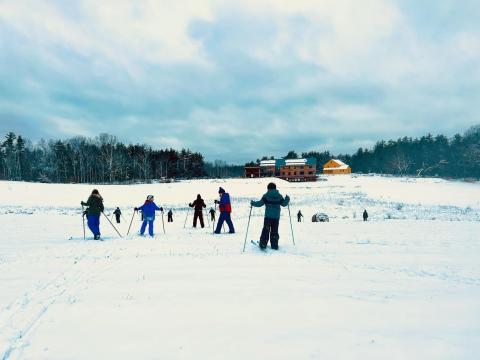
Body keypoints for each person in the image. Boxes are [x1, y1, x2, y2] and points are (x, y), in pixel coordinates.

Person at [251, 182, 290, 250]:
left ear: (268, 188)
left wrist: (253, 203)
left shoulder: (266, 195)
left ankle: (263, 244)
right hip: (276, 217)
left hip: (268, 217)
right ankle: (274, 245)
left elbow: (260, 204)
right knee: (274, 231)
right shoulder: (279, 196)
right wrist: (287, 199)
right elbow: (284, 204)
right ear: (275, 188)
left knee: (266, 230)